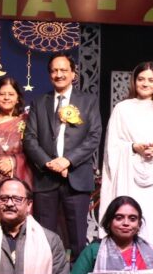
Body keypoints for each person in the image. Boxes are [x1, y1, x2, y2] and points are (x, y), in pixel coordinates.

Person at [24, 54, 103, 262]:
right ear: (49, 74)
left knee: (77, 237)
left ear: (73, 73)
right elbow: (30, 138)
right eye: (54, 71)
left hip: (76, 177)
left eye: (64, 70)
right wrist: (48, 163)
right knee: (44, 237)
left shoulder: (88, 101)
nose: (59, 74)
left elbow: (94, 136)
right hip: (46, 178)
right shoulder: (39, 102)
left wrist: (67, 161)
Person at [100, 61, 153, 258]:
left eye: (151, 80)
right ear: (134, 81)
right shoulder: (122, 108)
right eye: (141, 79)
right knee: (130, 213)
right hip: (129, 176)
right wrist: (133, 147)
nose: (145, 84)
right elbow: (113, 145)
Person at [0, 77, 32, 229]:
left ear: (18, 98)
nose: (6, 98)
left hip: (18, 180)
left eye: (11, 94)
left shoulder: (26, 121)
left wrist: (13, 162)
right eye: (2, 94)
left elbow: (33, 151)